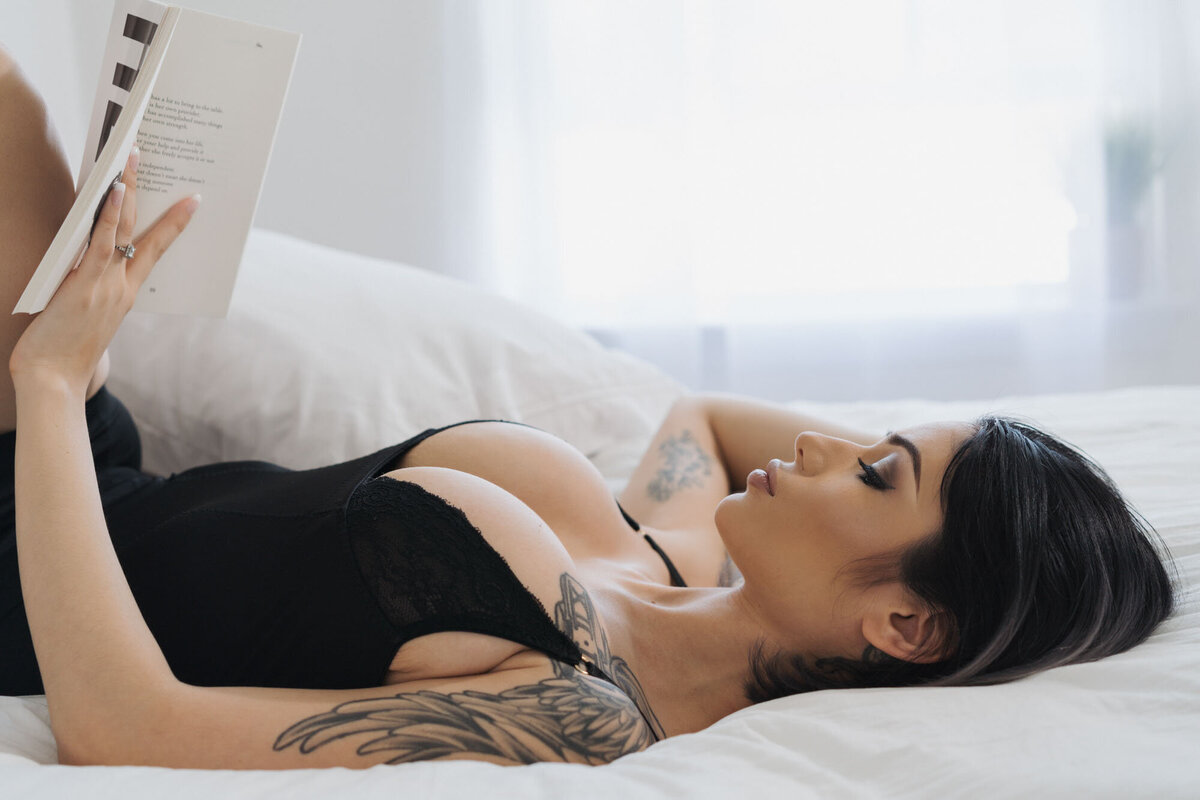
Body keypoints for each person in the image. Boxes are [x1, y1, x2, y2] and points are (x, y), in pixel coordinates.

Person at [0, 50, 1176, 769]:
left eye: (875, 476)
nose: (820, 444)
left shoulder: (584, 713)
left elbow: (127, 728)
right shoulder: (680, 539)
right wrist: (64, 399)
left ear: (910, 628)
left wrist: (51, 381)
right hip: (95, 472)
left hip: (24, 576)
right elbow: (705, 414)